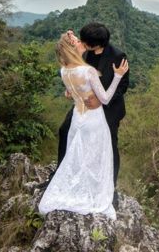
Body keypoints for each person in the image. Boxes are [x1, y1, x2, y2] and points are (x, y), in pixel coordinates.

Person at [38, 31, 129, 219]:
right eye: (79, 42)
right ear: (75, 48)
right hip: (93, 118)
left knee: (81, 150)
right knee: (96, 153)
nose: (82, 44)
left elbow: (74, 87)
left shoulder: (64, 70)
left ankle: (84, 184)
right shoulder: (87, 70)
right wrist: (118, 76)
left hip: (80, 118)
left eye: (83, 41)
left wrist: (74, 91)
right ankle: (95, 189)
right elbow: (105, 97)